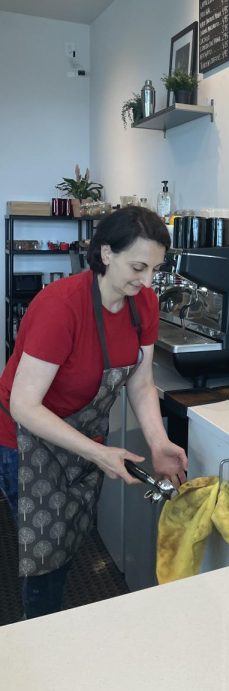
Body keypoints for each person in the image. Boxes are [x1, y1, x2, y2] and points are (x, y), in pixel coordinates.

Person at [0, 206, 187, 619]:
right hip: (25, 440)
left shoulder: (144, 304)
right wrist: (99, 453)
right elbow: (23, 405)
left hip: (82, 437)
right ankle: (40, 641)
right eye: (138, 266)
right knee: (44, 555)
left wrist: (158, 443)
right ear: (105, 253)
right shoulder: (61, 307)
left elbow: (139, 381)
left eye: (155, 268)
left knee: (68, 538)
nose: (147, 280)